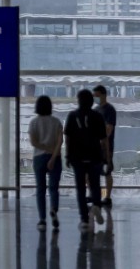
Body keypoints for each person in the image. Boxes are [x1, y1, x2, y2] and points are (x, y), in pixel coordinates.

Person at [64, 89, 108, 231]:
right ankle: (96, 206)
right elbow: (104, 139)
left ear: (79, 101)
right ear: (91, 101)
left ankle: (84, 219)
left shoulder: (72, 116)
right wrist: (106, 157)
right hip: (95, 156)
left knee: (81, 188)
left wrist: (67, 155)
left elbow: (68, 138)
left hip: (78, 156)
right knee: (95, 185)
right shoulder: (98, 116)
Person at [28, 95, 63, 231]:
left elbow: (33, 142)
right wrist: (53, 156)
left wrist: (45, 149)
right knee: (53, 188)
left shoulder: (34, 123)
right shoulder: (56, 122)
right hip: (55, 157)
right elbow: (60, 141)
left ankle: (42, 220)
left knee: (40, 190)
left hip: (39, 158)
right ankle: (53, 209)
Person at [92, 84, 117, 208]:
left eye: (96, 95)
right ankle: (96, 195)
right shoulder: (95, 110)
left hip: (106, 146)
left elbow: (109, 129)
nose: (94, 97)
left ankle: (107, 197)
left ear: (102, 95)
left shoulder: (109, 110)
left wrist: (102, 139)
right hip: (95, 146)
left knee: (107, 171)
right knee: (94, 172)